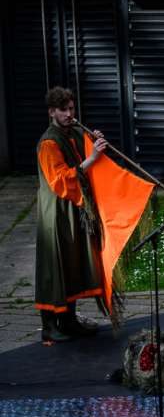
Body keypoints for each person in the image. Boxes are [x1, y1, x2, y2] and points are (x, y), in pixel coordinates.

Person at [35, 87, 109, 342]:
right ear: (51, 112)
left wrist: (93, 141)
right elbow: (60, 179)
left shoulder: (74, 132)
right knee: (54, 264)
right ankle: (49, 326)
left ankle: (68, 320)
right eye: (63, 110)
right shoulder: (49, 142)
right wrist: (94, 157)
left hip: (73, 206)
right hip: (56, 210)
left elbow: (84, 153)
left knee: (72, 262)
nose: (69, 114)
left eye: (71, 108)